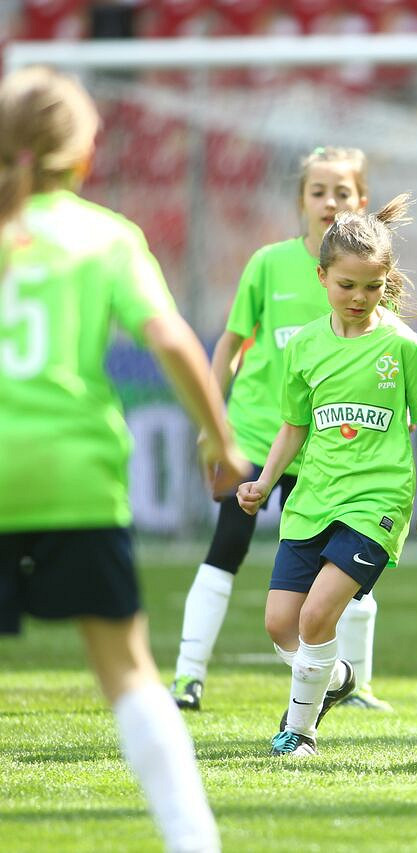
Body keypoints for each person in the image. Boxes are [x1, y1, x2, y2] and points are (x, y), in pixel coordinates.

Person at [0, 66, 249, 852]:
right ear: (82, 154)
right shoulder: (104, 236)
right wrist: (220, 438)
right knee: (128, 669)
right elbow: (172, 338)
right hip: (74, 475)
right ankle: (192, 840)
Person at [171, 146, 394, 713]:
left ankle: (355, 684)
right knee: (225, 549)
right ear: (301, 200)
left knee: (341, 571)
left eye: (342, 192)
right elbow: (230, 342)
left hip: (321, 453)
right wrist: (212, 420)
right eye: (318, 191)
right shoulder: (268, 264)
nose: (329, 202)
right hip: (250, 437)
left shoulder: (363, 278)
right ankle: (187, 677)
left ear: (360, 202)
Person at [236, 195, 417, 757]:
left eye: (373, 286)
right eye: (346, 284)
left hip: (375, 502)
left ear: (387, 282)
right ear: (322, 277)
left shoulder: (403, 346)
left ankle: (298, 732)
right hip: (312, 500)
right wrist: (264, 480)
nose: (359, 298)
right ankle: (334, 679)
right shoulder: (304, 345)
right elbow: (293, 427)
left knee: (315, 615)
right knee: (281, 623)